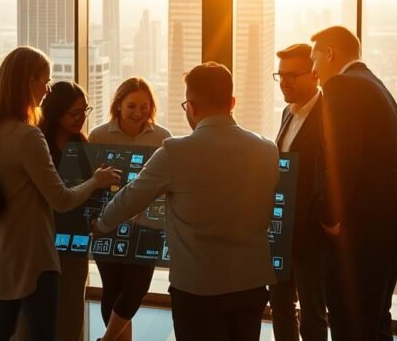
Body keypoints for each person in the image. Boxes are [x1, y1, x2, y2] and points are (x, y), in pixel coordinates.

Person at [93, 62, 279, 341]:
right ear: (232, 102)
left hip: (197, 288)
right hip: (251, 284)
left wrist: (102, 222)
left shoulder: (175, 152)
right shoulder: (267, 150)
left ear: (190, 106)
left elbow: (129, 200)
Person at [0, 48, 120, 340]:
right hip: (31, 251)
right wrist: (95, 181)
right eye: (45, 80)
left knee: (2, 327)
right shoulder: (28, 136)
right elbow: (61, 200)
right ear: (29, 81)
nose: (47, 89)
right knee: (42, 332)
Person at [309, 26, 397, 341]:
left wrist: (330, 217)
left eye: (314, 59)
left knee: (352, 327)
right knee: (375, 323)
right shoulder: (374, 83)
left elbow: (341, 159)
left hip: (362, 233)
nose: (313, 71)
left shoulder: (341, 86)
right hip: (394, 226)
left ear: (330, 53)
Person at [87, 78, 173, 341]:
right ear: (118, 105)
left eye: (144, 107)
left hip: (149, 225)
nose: (138, 113)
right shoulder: (99, 135)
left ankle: (107, 339)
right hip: (108, 222)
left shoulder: (163, 137)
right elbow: (91, 182)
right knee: (112, 288)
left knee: (137, 287)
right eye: (131, 106)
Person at [268, 44, 328, 341]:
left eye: (293, 75)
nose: (285, 82)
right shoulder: (286, 114)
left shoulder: (329, 115)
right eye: (281, 75)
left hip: (311, 232)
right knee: (280, 305)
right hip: (282, 227)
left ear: (315, 75)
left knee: (313, 311)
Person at [39, 80, 99, 341]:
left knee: (73, 306)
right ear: (55, 112)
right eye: (74, 113)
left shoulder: (82, 146)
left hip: (76, 236)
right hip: (44, 237)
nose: (81, 119)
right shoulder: (39, 146)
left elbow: (91, 194)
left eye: (84, 111)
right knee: (44, 309)